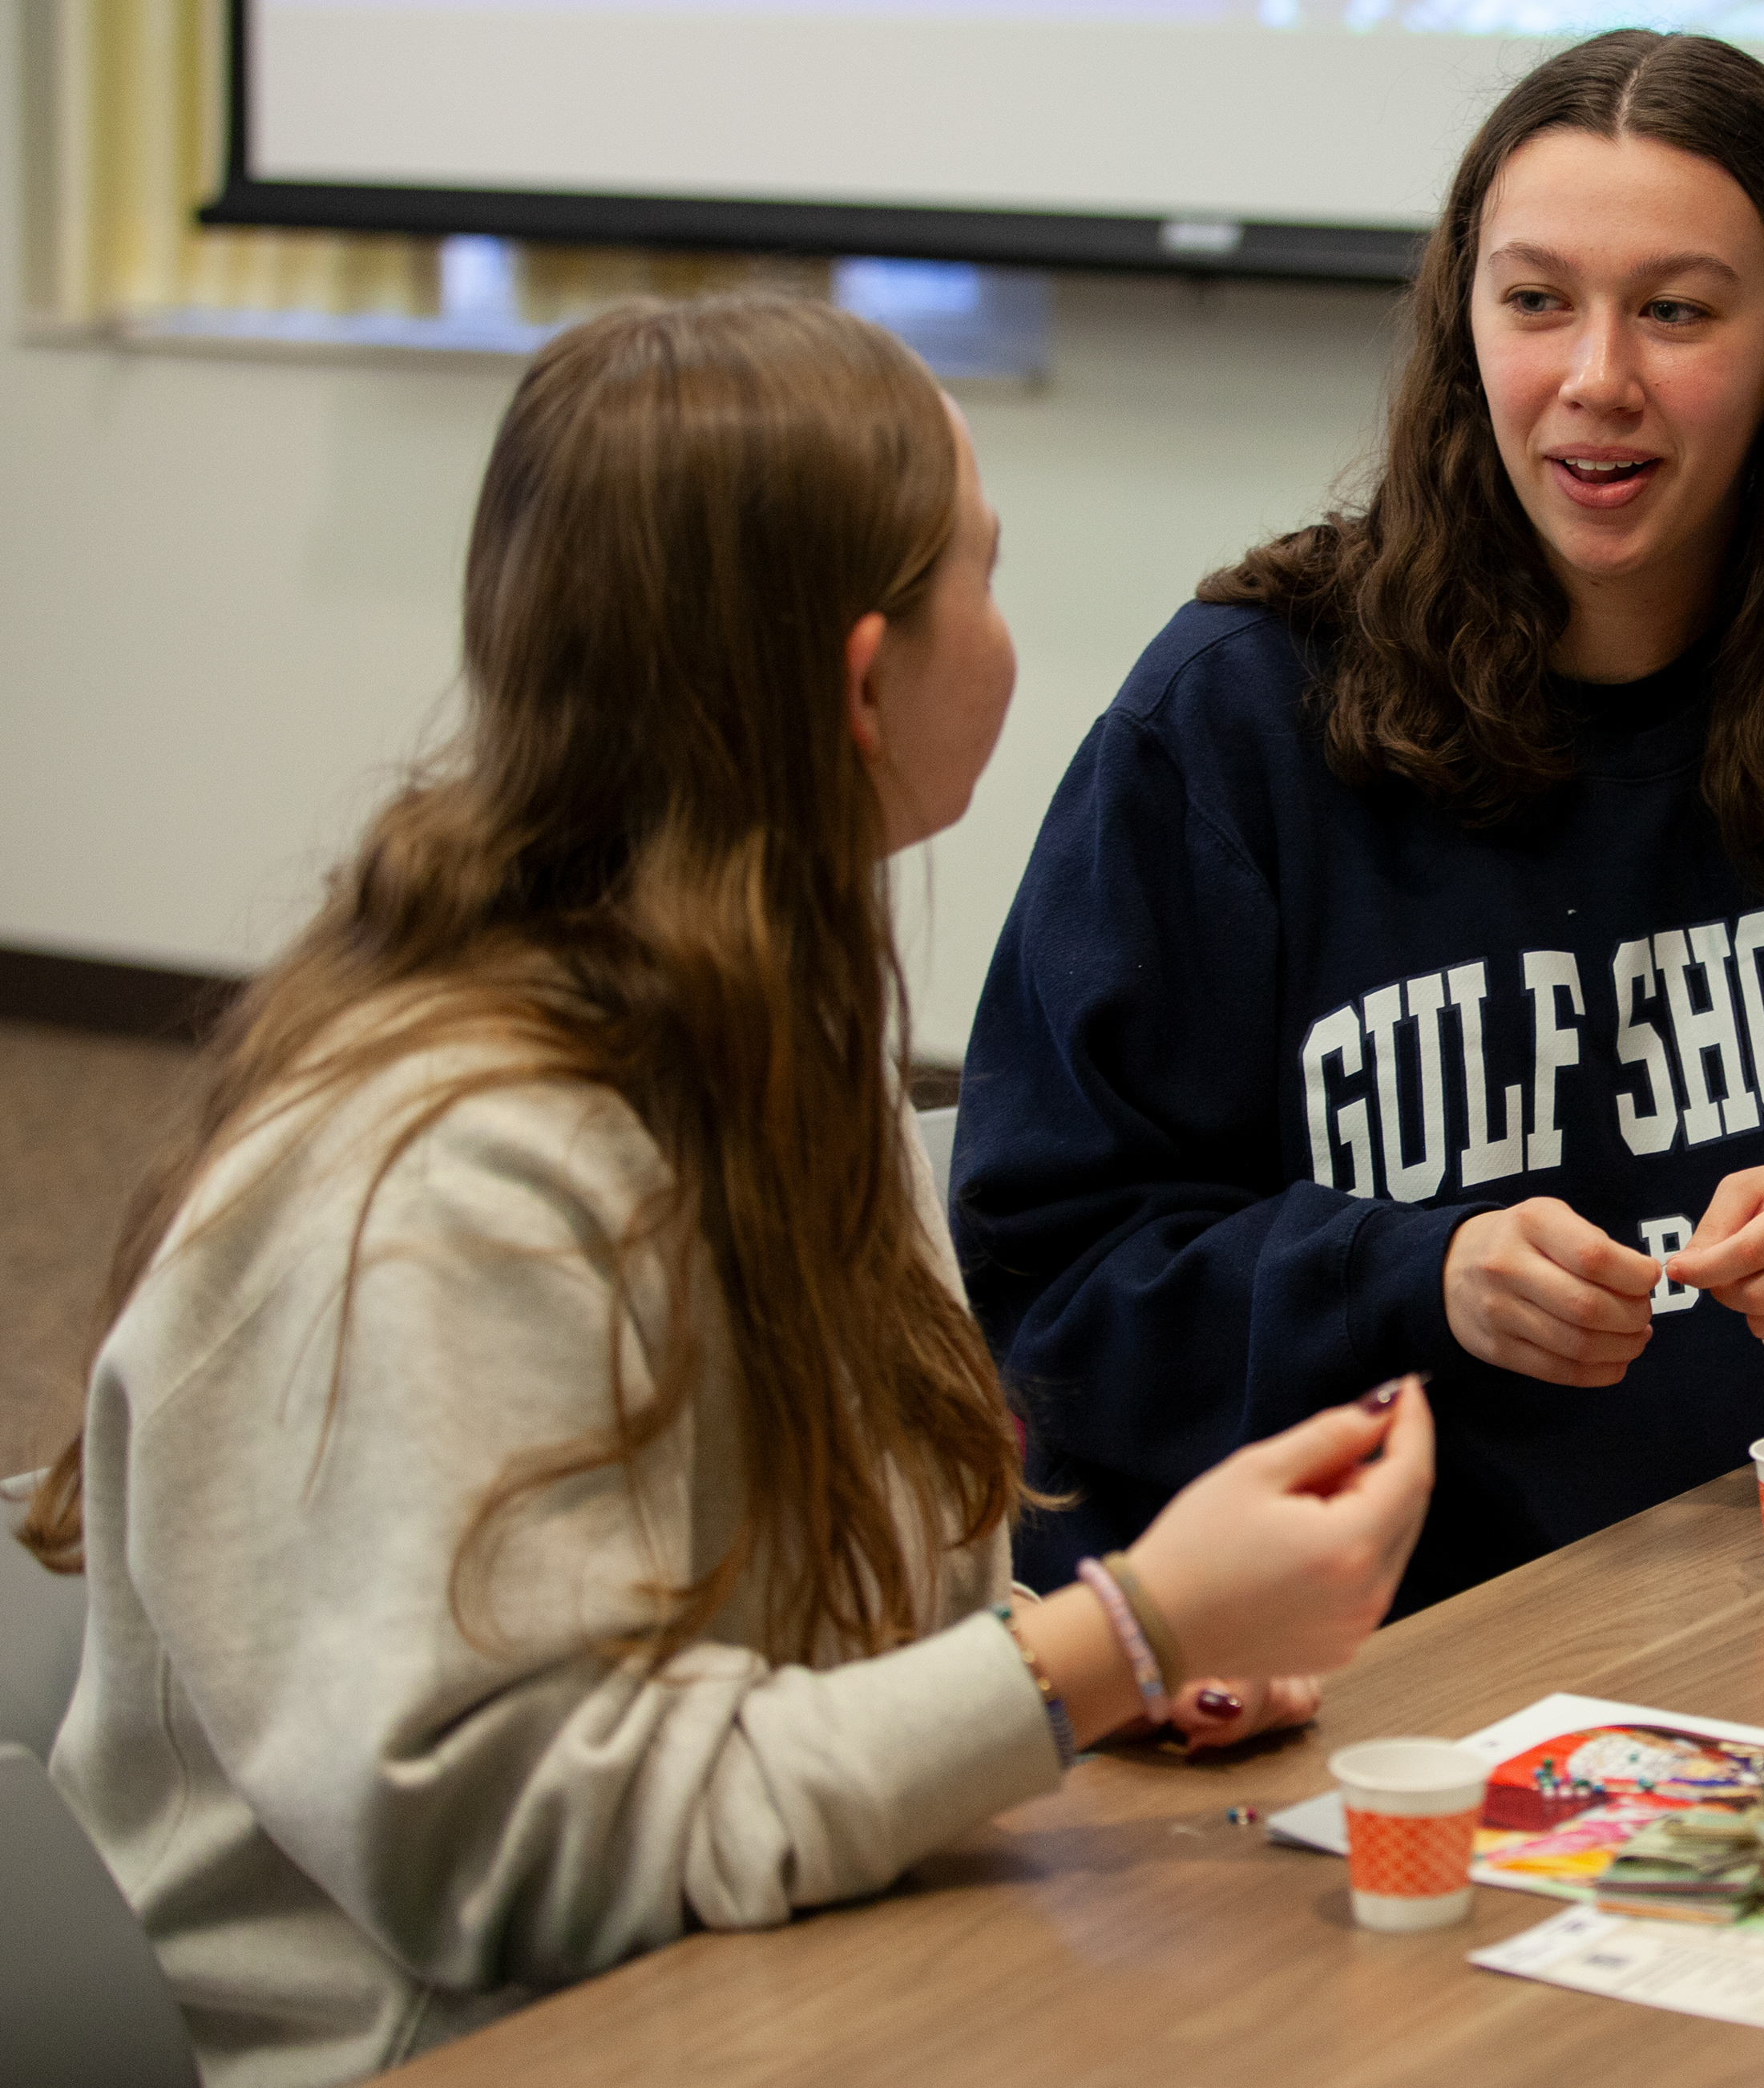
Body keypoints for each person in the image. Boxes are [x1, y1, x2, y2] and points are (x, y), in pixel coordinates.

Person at [12, 296, 1433, 2088]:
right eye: (985, 575)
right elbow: (538, 1868)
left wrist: (1080, 1665)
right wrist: (1114, 1631)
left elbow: (757, 1638)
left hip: (790, 1975)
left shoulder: (759, 1034)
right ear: (861, 680)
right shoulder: (456, 1179)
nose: (1010, 633)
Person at [953, 30, 1764, 1614]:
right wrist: (1414, 1281)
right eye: (1535, 302)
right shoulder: (1237, 720)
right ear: (1463, 334)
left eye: (1676, 310)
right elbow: (1058, 1300)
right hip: (1389, 1668)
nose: (1598, 379)